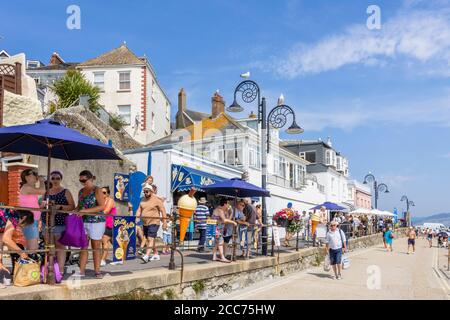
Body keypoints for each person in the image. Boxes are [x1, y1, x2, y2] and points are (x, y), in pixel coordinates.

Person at [76, 170, 107, 278]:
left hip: (96, 222)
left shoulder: (97, 190)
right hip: (84, 221)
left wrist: (85, 211)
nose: (82, 182)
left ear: (90, 179)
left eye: (84, 180)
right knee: (83, 247)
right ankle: (81, 271)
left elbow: (102, 206)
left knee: (95, 247)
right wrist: (74, 211)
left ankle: (97, 271)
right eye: (80, 180)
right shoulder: (80, 191)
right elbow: (79, 206)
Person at [43, 171, 76, 272]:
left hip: (60, 223)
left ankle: (60, 270)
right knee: (48, 246)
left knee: (60, 246)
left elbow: (72, 206)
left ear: (61, 179)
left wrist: (59, 206)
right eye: (53, 178)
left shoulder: (65, 191)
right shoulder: (46, 192)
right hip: (47, 222)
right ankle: (51, 268)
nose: (55, 180)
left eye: (57, 178)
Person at [135, 184, 167, 263]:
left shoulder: (156, 200)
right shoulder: (143, 199)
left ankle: (147, 256)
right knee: (149, 239)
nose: (145, 193)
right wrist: (137, 217)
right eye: (144, 192)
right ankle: (156, 254)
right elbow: (139, 209)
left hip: (154, 222)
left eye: (147, 192)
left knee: (150, 238)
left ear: (151, 192)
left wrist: (164, 222)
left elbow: (163, 210)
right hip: (145, 223)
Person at [19, 169, 46, 251]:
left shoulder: (30, 188)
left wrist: (40, 207)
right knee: (33, 247)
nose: (36, 175)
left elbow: (31, 205)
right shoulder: (26, 187)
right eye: (33, 174)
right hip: (29, 220)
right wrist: (41, 181)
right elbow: (42, 191)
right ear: (26, 177)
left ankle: (28, 263)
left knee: (32, 246)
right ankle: (29, 263)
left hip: (34, 220)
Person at [2, 210, 35, 277]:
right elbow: (6, 239)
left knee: (5, 248)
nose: (22, 227)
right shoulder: (14, 216)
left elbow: (3, 241)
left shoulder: (5, 218)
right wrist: (22, 253)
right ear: (24, 218)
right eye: (25, 224)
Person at [211, 199, 237, 263]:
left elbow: (226, 219)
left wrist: (231, 212)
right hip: (217, 229)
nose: (229, 205)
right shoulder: (220, 210)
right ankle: (222, 257)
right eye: (228, 204)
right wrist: (233, 222)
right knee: (220, 242)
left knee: (216, 243)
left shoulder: (218, 210)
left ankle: (214, 256)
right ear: (225, 204)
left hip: (215, 228)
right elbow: (225, 220)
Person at [100, 186, 117, 266]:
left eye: (104, 192)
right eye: (100, 192)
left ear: (108, 194)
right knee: (114, 242)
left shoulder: (110, 200)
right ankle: (119, 257)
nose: (102, 194)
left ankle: (103, 260)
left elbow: (106, 211)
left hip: (110, 224)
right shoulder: (100, 201)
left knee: (105, 240)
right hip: (101, 224)